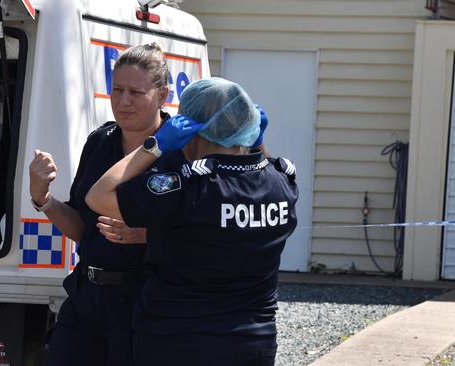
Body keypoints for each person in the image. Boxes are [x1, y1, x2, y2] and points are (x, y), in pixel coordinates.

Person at [85, 77, 298, 366]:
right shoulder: (282, 182)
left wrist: (154, 146)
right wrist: (257, 143)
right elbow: (258, 168)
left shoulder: (187, 187)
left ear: (193, 132)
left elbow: (98, 196)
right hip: (254, 342)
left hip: (180, 341)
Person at [29, 43, 170, 366]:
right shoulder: (99, 142)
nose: (123, 101)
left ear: (162, 96)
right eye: (117, 89)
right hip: (87, 297)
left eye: (136, 92)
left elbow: (207, 233)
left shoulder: (182, 151)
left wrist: (147, 235)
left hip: (147, 300)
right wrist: (42, 198)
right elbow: (83, 228)